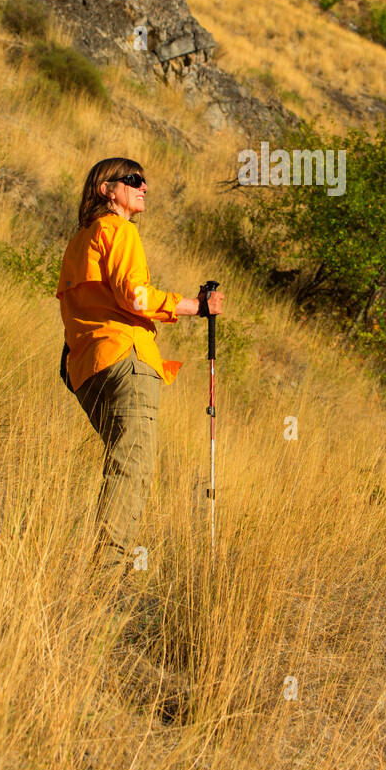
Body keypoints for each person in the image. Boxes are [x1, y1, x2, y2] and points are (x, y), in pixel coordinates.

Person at [56, 156, 224, 583]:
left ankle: (101, 565)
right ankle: (106, 577)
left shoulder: (80, 241)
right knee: (133, 466)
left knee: (123, 461)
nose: (143, 186)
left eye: (144, 180)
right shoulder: (120, 230)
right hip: (125, 358)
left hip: (87, 369)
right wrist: (195, 306)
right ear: (106, 190)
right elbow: (135, 296)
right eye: (132, 180)